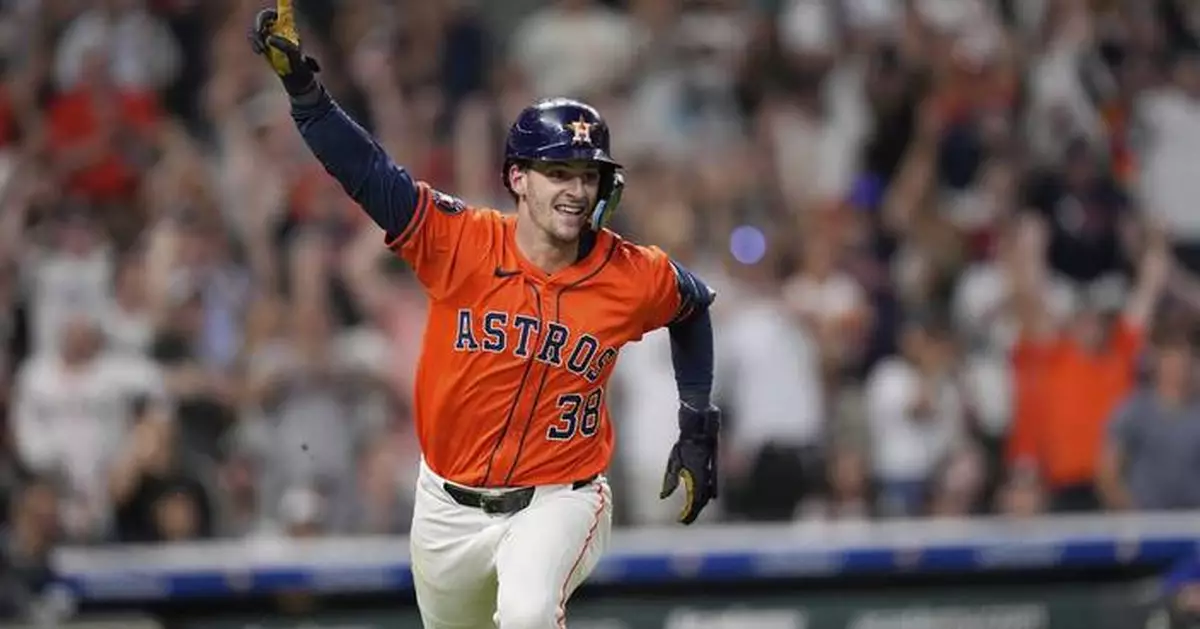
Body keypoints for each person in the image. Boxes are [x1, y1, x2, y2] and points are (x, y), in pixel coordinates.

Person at [248, 3, 721, 629]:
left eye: (587, 175)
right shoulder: (462, 241)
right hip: (446, 505)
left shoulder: (632, 272)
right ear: (518, 178)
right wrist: (304, 91)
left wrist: (696, 423)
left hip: (562, 499)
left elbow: (693, 309)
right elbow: (368, 173)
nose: (575, 191)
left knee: (526, 614)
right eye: (557, 173)